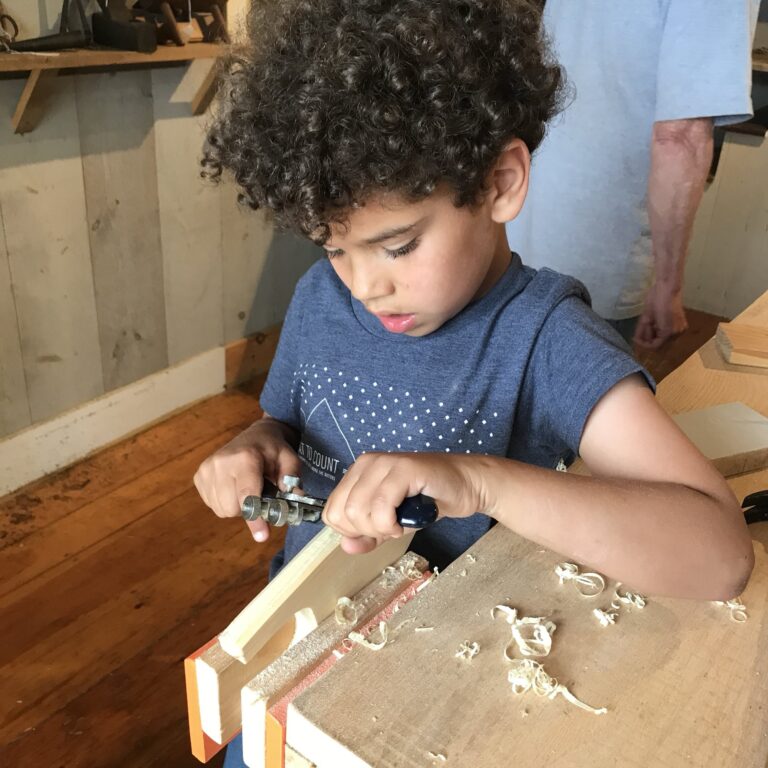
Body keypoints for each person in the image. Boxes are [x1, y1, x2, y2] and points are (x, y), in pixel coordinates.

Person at [194, 1, 753, 762]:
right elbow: (286, 425)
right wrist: (253, 445)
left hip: (447, 704)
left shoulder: (546, 340)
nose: (364, 287)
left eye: (397, 246)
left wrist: (480, 482)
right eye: (334, 249)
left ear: (501, 182)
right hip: (301, 665)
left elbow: (719, 553)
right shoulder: (320, 302)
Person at [506, 0, 759, 349]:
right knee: (580, 397)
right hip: (596, 260)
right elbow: (679, 136)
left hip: (518, 222)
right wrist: (669, 285)